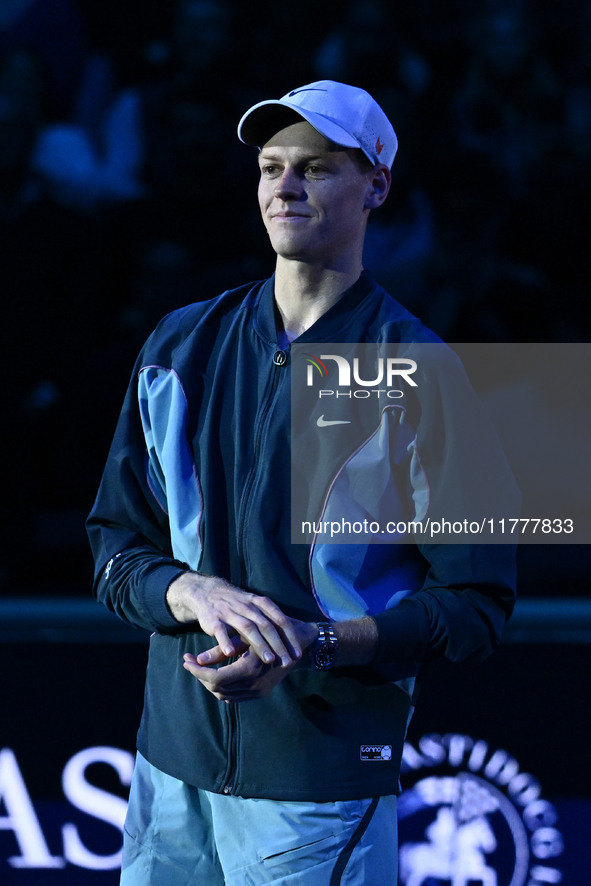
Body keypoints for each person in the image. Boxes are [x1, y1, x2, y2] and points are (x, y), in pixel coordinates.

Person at [87, 80, 517, 885]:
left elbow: (476, 605)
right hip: (169, 767)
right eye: (271, 167)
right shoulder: (180, 345)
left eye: (315, 169)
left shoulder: (417, 369)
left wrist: (315, 644)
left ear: (376, 186)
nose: (284, 186)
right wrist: (193, 594)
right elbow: (115, 545)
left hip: (319, 782)